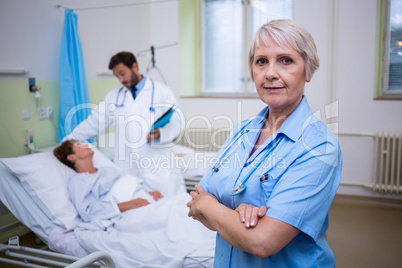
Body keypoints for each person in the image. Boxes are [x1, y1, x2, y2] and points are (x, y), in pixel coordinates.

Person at [187, 19, 342, 267]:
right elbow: (195, 205)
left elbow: (262, 241)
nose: (270, 73)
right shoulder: (242, 132)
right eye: (261, 61)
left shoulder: (319, 148)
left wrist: (211, 206)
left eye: (286, 60)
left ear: (308, 70)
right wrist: (234, 214)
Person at [64, 51, 185, 197]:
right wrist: (68, 140)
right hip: (129, 169)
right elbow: (95, 122)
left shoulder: (161, 92)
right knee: (139, 212)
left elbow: (177, 122)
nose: (121, 79)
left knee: (170, 210)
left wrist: (162, 133)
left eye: (123, 73)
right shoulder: (114, 96)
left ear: (134, 67)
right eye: (117, 76)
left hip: (158, 168)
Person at [53, 139, 163, 230]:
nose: (86, 144)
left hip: (144, 200)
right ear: (72, 157)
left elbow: (127, 184)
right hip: (125, 212)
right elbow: (87, 211)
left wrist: (150, 192)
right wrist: (130, 204)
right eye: (79, 145)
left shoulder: (108, 170)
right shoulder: (78, 181)